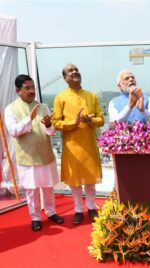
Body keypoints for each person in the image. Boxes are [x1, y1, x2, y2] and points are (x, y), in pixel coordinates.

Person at [4, 74, 64, 231]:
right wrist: (28, 119)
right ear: (18, 90)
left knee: (48, 187)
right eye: (27, 88)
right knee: (32, 190)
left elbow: (50, 133)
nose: (32, 91)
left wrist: (50, 125)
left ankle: (51, 212)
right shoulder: (10, 109)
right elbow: (13, 131)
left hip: (45, 154)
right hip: (27, 156)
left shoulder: (43, 107)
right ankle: (35, 217)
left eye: (33, 88)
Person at [52, 64, 104, 225]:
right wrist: (72, 123)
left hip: (89, 144)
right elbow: (55, 122)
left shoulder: (91, 96)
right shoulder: (60, 97)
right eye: (70, 71)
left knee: (90, 179)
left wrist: (91, 120)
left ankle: (91, 207)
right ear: (65, 78)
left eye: (76, 70)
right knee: (74, 181)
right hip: (72, 145)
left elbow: (101, 119)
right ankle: (78, 209)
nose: (75, 72)